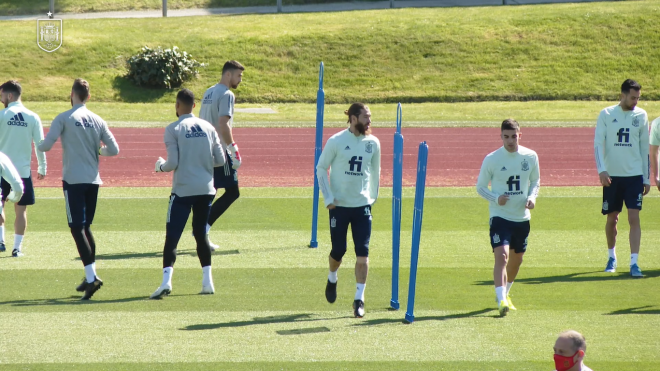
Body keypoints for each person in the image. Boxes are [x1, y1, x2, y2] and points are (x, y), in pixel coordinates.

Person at [38, 78, 119, 300]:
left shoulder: (64, 118)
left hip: (73, 180)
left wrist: (33, 140)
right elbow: (114, 149)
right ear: (89, 97)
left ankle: (92, 277)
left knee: (76, 228)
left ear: (72, 94)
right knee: (86, 227)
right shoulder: (98, 119)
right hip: (93, 181)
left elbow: (46, 145)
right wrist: (98, 152)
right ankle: (90, 274)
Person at [150, 89, 226, 299]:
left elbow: (172, 163)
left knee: (172, 237)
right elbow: (220, 160)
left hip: (183, 190)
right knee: (201, 235)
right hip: (206, 189)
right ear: (194, 106)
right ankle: (207, 282)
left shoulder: (173, 128)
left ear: (177, 105)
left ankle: (166, 281)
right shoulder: (209, 127)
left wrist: (160, 167)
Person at [317, 103, 381, 318]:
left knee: (363, 253)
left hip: (362, 206)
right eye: (365, 117)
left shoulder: (373, 143)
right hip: (339, 206)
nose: (369, 121)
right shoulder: (336, 141)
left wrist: (371, 198)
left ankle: (359, 299)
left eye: (370, 117)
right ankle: (332, 277)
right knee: (339, 251)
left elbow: (375, 172)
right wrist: (328, 197)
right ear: (353, 118)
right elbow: (320, 167)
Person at [476, 119, 540, 317]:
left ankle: (505, 293)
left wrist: (532, 197)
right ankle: (501, 299)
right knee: (502, 255)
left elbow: (535, 180)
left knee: (516, 260)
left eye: (514, 136)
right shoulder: (492, 159)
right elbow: (480, 187)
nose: (510, 140)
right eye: (506, 136)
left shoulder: (530, 156)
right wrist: (496, 198)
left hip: (521, 217)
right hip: (500, 216)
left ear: (520, 135)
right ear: (501, 136)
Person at [594, 79, 649, 278]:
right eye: (633, 97)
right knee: (612, 219)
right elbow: (598, 143)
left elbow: (644, 148)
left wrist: (647, 177)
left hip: (634, 176)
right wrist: (602, 170)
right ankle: (612, 257)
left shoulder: (641, 115)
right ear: (622, 95)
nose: (635, 101)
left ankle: (634, 262)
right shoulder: (606, 114)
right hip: (612, 177)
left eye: (638, 98)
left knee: (634, 217)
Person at [198, 60, 244, 251]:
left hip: (203, 147)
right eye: (238, 76)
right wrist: (233, 149)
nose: (240, 80)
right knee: (233, 191)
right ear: (228, 75)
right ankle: (203, 229)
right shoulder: (227, 94)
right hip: (219, 150)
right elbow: (223, 124)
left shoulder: (209, 91)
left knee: (211, 190)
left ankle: (202, 231)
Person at [0, 80, 47, 257]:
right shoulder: (32, 117)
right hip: (22, 172)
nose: (1, 99)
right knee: (21, 210)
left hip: (1, 170)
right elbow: (39, 144)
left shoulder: (2, 115)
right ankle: (17, 248)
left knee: (0, 206)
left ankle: (1, 241)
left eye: (1, 95)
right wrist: (42, 166)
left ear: (9, 95)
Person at [647, 115, 660, 191]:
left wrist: (656, 177)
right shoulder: (657, 123)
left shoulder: (657, 123)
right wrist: (656, 177)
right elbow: (654, 152)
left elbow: (654, 152)